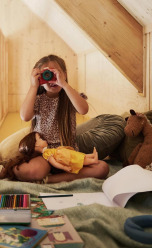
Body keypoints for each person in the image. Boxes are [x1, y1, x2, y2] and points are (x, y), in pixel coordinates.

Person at [14, 54, 109, 183]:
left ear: (64, 74)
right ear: (40, 79)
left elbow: (83, 109)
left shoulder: (70, 95)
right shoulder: (38, 99)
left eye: (54, 73)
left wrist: (63, 83)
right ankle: (42, 175)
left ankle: (49, 180)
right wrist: (33, 86)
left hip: (67, 154)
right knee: (30, 170)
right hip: (44, 155)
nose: (51, 79)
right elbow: (25, 116)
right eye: (46, 75)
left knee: (102, 168)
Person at [20, 132, 98, 174]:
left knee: (79, 156)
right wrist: (64, 167)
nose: (44, 139)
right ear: (36, 145)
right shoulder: (45, 154)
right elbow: (54, 163)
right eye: (40, 139)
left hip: (66, 154)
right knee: (79, 160)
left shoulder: (47, 150)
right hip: (65, 158)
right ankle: (93, 160)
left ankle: (92, 156)